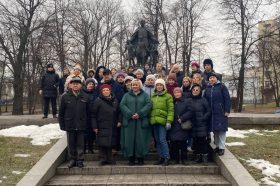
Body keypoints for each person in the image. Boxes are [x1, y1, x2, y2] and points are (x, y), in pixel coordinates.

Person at [59, 77, 90, 168]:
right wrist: (62, 125)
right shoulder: (65, 97)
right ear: (70, 85)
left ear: (81, 85)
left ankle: (80, 160)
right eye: (73, 83)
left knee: (80, 143)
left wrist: (87, 124)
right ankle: (72, 159)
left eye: (77, 83)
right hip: (70, 124)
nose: (75, 85)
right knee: (71, 143)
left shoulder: (85, 96)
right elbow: (61, 113)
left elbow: (88, 112)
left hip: (81, 124)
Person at [120, 79, 152, 166]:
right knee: (129, 140)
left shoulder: (145, 96)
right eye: (133, 85)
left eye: (136, 85)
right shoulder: (126, 95)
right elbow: (122, 105)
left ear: (140, 86)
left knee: (141, 140)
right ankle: (131, 158)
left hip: (141, 121)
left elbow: (149, 105)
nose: (135, 86)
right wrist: (130, 114)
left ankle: (140, 158)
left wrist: (140, 114)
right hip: (129, 121)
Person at [92, 84, 121, 165]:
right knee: (102, 143)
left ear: (110, 91)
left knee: (110, 142)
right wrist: (94, 126)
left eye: (107, 90)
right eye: (104, 90)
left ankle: (110, 158)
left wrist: (119, 121)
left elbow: (119, 112)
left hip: (112, 124)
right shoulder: (98, 100)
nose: (106, 92)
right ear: (101, 91)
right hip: (101, 125)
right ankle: (103, 159)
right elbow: (93, 114)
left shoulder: (115, 100)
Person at [204, 73, 231, 156]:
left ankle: (222, 148)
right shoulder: (207, 88)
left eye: (213, 78)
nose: (212, 79)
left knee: (221, 130)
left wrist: (227, 110)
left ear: (216, 78)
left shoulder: (222, 87)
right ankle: (217, 146)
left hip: (220, 112)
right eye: (210, 78)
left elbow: (227, 99)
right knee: (215, 130)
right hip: (212, 113)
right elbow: (205, 100)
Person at [150, 78, 174, 166]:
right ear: (155, 87)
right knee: (157, 140)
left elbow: (171, 110)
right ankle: (161, 157)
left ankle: (167, 157)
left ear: (163, 86)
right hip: (154, 121)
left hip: (163, 122)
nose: (159, 87)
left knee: (162, 140)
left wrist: (169, 121)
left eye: (161, 85)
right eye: (157, 85)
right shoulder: (152, 96)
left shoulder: (168, 96)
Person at [168, 87, 192, 165]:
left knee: (183, 143)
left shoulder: (187, 101)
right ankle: (175, 159)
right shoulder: (172, 101)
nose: (177, 94)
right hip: (173, 125)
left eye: (178, 92)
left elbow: (190, 111)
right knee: (174, 143)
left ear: (181, 93)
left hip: (182, 125)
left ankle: (184, 159)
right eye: (175, 92)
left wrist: (182, 118)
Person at [190, 84, 211, 163]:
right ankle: (197, 157)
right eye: (193, 90)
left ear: (200, 91)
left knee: (202, 140)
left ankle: (205, 156)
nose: (195, 91)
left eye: (197, 90)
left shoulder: (203, 100)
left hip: (202, 124)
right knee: (195, 141)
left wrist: (203, 118)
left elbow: (208, 111)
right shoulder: (190, 100)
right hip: (193, 124)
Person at [82, 78, 99, 154]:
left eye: (92, 84)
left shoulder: (96, 93)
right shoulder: (82, 93)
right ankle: (83, 148)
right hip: (84, 116)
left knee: (91, 134)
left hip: (93, 116)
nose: (91, 85)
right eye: (89, 84)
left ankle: (90, 148)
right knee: (84, 133)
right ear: (86, 85)